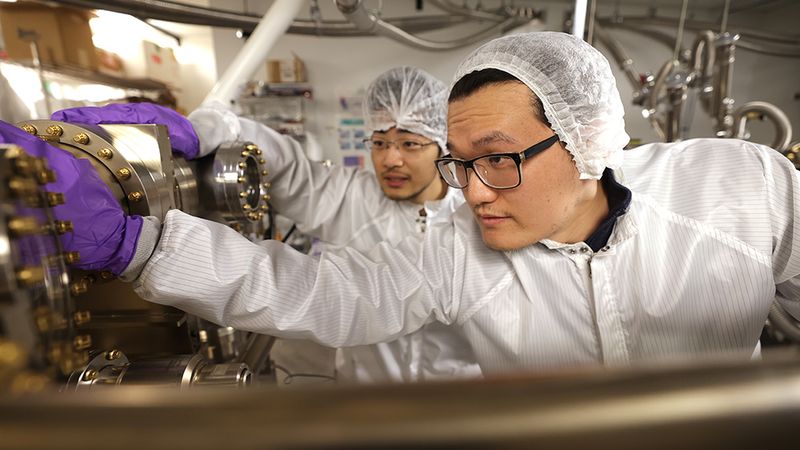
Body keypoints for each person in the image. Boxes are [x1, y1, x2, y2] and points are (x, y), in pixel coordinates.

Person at [14, 31, 800, 375]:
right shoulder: (460, 244)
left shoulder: (736, 188)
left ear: (586, 140)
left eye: (496, 161)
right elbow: (331, 292)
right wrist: (146, 247)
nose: (473, 192)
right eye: (460, 165)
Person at [51, 67, 482, 384]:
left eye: (409, 143)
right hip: (364, 398)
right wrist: (212, 130)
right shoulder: (352, 195)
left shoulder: (476, 224)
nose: (391, 159)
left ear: (442, 145)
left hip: (456, 406)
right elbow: (285, 166)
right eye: (380, 142)